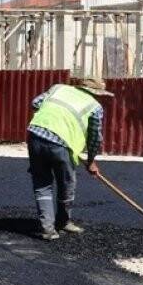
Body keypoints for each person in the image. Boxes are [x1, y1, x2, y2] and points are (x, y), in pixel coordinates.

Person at [26, 77, 113, 240]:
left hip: (35, 135)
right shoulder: (94, 106)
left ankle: (47, 229)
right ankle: (63, 221)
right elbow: (95, 137)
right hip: (61, 145)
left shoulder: (58, 88)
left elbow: (35, 103)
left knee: (42, 185)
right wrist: (92, 160)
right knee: (67, 183)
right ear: (97, 93)